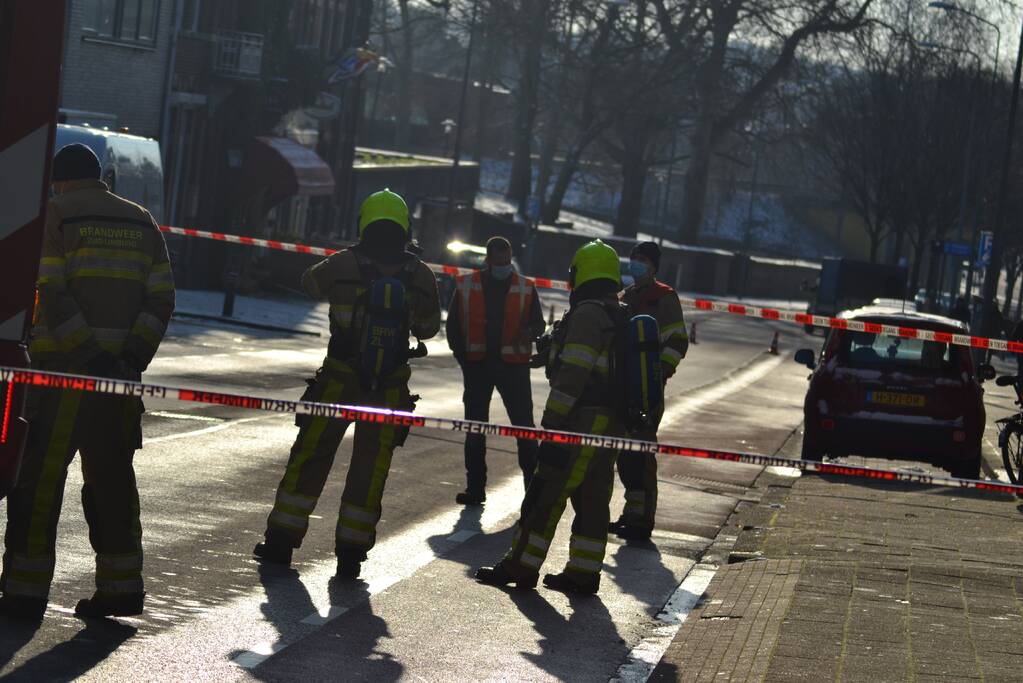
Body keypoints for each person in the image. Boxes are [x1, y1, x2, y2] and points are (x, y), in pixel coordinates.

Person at [0, 143, 175, 620]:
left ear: (59, 181)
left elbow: (50, 291)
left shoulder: (55, 216)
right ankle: (122, 589)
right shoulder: (142, 222)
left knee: (38, 483)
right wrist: (129, 357)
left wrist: (88, 355)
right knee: (113, 482)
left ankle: (24, 591)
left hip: (61, 379)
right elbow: (161, 300)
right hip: (118, 385)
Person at [254, 189, 440, 579]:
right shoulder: (420, 275)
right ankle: (351, 553)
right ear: (406, 227)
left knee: (310, 456)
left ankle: (281, 543)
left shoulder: (344, 264)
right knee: (370, 469)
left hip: (339, 379)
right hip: (388, 388)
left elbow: (310, 285)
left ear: (365, 224)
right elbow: (428, 328)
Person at [474, 239, 627, 595]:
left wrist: (552, 426)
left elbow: (574, 373)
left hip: (580, 421)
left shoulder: (589, 314)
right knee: (592, 499)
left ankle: (520, 566)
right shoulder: (616, 312)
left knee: (546, 493)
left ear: (582, 274)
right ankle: (583, 572)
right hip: (611, 424)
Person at [446, 236, 545, 504]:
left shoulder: (525, 287)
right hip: (477, 366)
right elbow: (454, 325)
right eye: (499, 259)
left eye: (507, 259)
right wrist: (463, 358)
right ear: (489, 259)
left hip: (513, 369)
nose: (504, 264)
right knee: (475, 429)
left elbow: (539, 324)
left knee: (524, 429)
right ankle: (475, 489)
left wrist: (530, 332)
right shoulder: (468, 284)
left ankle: (532, 492)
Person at [608, 242, 688, 541]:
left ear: (653, 266)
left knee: (641, 455)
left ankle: (643, 520)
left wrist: (658, 374)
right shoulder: (625, 296)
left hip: (648, 390)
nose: (635, 264)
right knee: (626, 457)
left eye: (642, 260)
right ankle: (631, 513)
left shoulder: (664, 297)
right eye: (633, 258)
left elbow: (678, 341)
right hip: (623, 387)